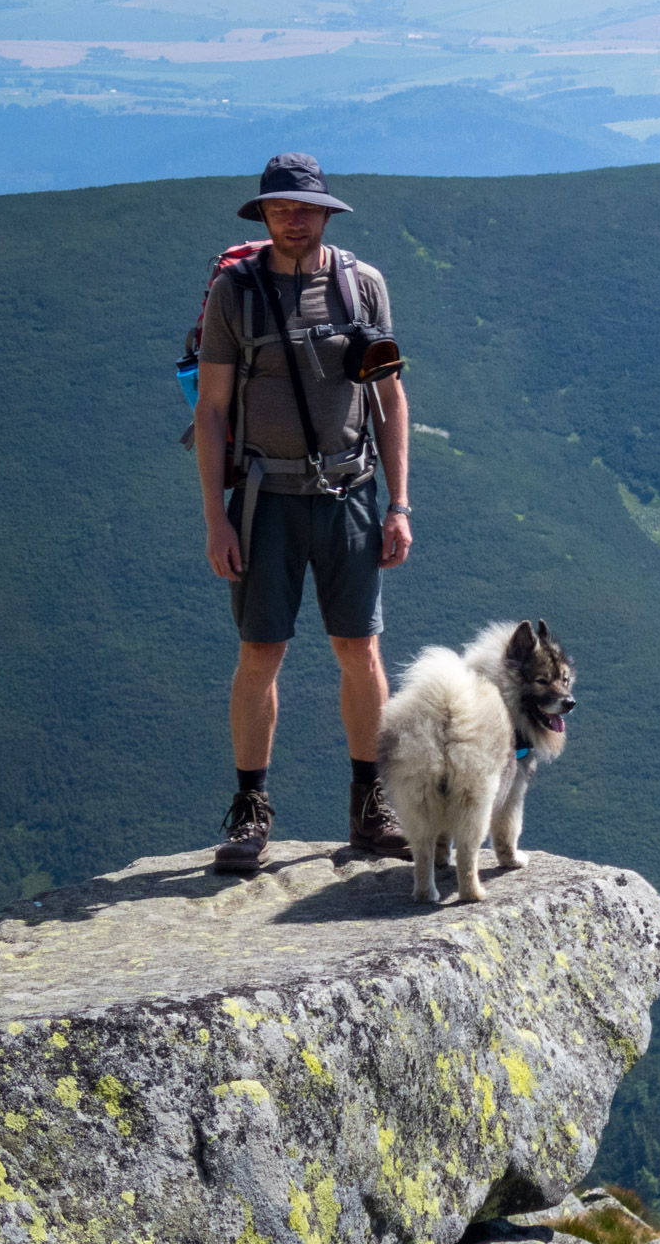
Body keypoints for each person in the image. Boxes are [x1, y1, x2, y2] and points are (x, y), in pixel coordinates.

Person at [192, 152, 414, 873]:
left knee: (361, 649)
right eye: (281, 207)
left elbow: (390, 399)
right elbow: (214, 410)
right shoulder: (237, 293)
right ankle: (251, 811)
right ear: (263, 215)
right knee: (262, 652)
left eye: (306, 207)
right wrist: (215, 521)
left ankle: (370, 804)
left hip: (352, 493)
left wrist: (401, 505)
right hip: (265, 499)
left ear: (326, 212)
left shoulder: (361, 287)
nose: (295, 217)